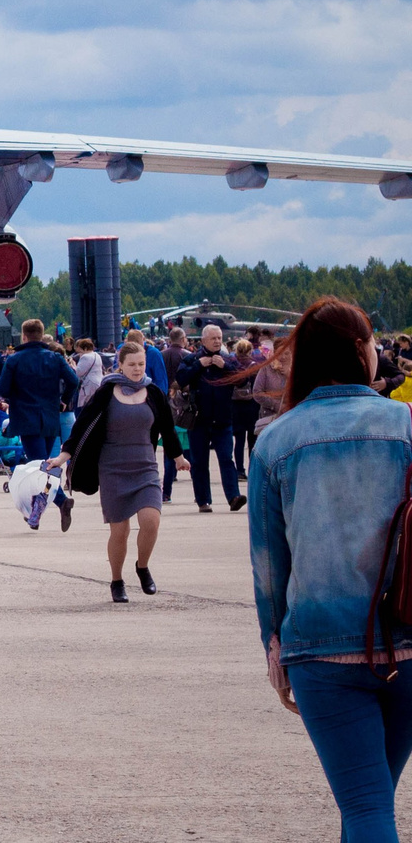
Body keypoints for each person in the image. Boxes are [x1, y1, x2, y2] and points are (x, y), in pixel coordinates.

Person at [248, 298, 411, 841]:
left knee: (364, 806)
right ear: (363, 349)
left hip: (320, 646)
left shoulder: (275, 440)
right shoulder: (405, 424)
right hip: (408, 637)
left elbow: (269, 565)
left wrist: (275, 647)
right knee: (371, 803)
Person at [58, 342, 180, 603]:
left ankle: (143, 567)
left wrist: (178, 456)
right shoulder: (106, 393)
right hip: (112, 469)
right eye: (132, 365)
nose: (137, 369)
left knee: (151, 521)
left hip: (145, 467)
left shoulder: (153, 392)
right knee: (120, 531)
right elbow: (82, 426)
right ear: (120, 365)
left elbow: (168, 428)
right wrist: (64, 455)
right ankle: (117, 580)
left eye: (141, 364)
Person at [0, 319, 81, 530]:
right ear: (42, 335)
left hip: (26, 418)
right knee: (41, 464)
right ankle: (35, 512)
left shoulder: (15, 360)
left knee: (39, 466)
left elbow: (3, 389)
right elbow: (73, 381)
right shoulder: (54, 357)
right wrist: (64, 399)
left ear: (24, 336)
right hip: (50, 417)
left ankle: (61, 501)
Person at [178, 324, 248, 514]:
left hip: (223, 420)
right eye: (213, 338)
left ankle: (233, 497)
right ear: (203, 341)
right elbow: (181, 378)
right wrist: (198, 365)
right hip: (199, 421)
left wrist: (224, 366)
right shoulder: (192, 358)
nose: (217, 341)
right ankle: (203, 500)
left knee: (226, 459)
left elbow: (242, 379)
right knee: (200, 461)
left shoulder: (227, 360)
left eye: (219, 338)